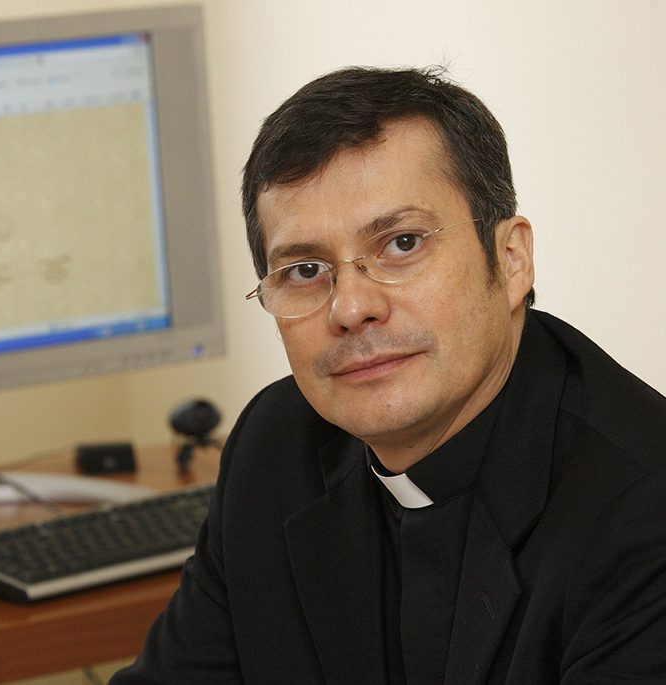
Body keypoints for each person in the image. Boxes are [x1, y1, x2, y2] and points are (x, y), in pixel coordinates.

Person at [110, 66, 666, 684]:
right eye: (303, 270)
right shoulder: (277, 445)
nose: (351, 308)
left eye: (402, 244)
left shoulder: (645, 516)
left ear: (511, 260)